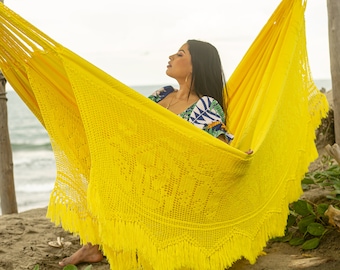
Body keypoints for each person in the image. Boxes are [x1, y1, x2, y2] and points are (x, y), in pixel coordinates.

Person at [59, 39, 235, 267]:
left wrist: (238, 157)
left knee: (110, 172)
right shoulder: (163, 94)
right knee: (104, 161)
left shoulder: (205, 105)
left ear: (195, 66)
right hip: (144, 170)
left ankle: (95, 246)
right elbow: (132, 120)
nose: (171, 56)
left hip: (170, 183)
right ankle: (93, 244)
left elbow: (219, 147)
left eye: (180, 54)